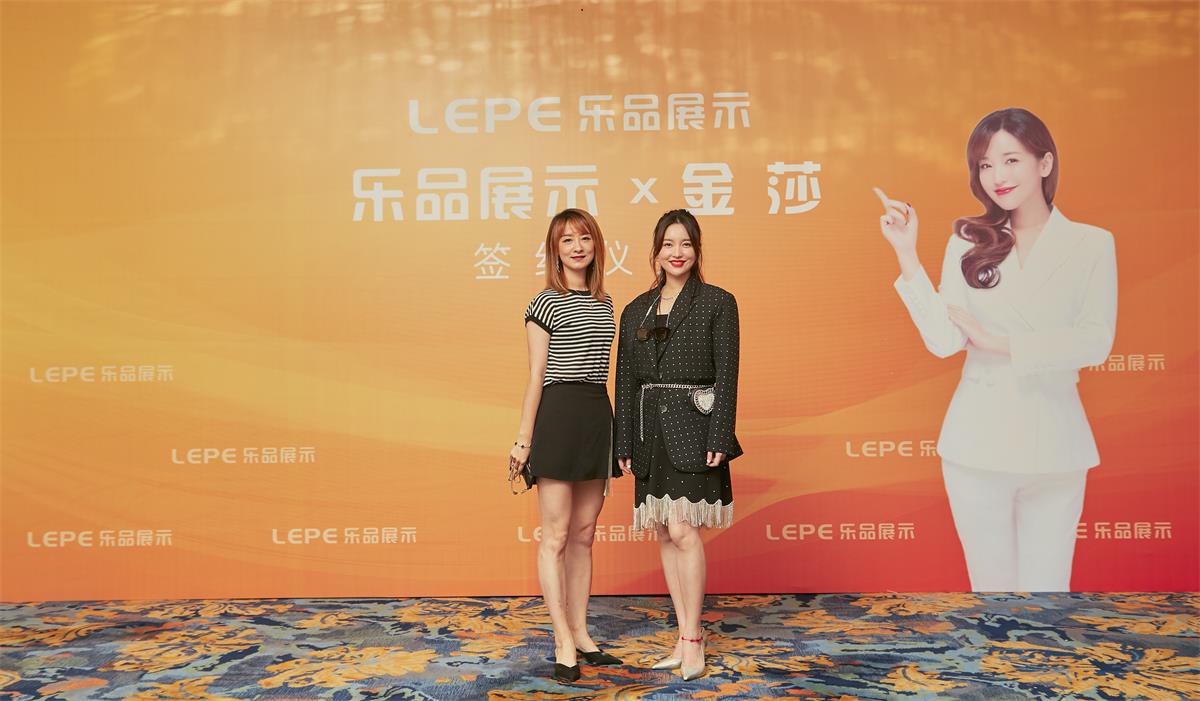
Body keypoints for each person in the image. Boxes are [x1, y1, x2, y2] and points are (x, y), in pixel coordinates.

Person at [875, 107, 1117, 592]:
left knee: (1048, 590)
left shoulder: (1092, 244)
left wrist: (1000, 344)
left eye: (1011, 160)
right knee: (991, 591)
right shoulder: (967, 242)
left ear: (1044, 163)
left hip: (1055, 440)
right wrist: (907, 254)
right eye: (985, 165)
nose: (997, 176)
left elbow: (1095, 341)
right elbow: (944, 341)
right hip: (977, 443)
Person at [614, 209, 742, 680]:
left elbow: (728, 374)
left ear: (697, 249)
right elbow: (625, 381)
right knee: (665, 533)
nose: (677, 252)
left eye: (685, 243)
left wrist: (720, 433)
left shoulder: (718, 302)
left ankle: (692, 638)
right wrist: (624, 440)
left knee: (684, 530)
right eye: (668, 244)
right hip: (650, 432)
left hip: (696, 429)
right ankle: (685, 633)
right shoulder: (636, 310)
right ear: (656, 251)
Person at [509, 209, 623, 683]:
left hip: (596, 414)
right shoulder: (544, 302)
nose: (578, 247)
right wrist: (523, 440)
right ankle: (561, 640)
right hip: (557, 415)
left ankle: (581, 633)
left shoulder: (606, 303)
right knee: (555, 536)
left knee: (584, 534)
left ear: (596, 244)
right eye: (567, 240)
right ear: (554, 250)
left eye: (585, 238)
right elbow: (536, 375)